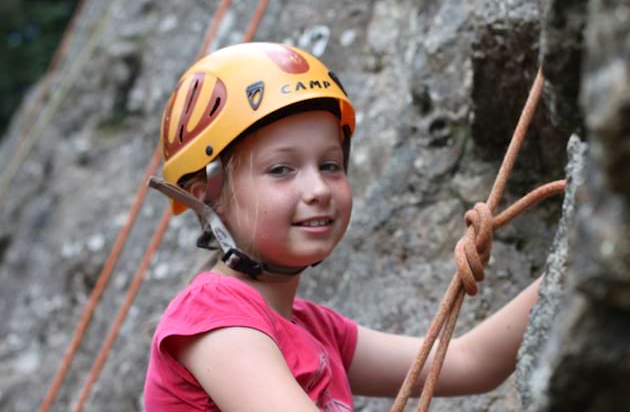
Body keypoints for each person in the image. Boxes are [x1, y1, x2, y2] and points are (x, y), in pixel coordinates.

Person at [143, 42, 541, 411]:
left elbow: (467, 362)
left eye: (330, 165)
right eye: (281, 170)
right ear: (208, 195)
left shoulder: (318, 330)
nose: (318, 189)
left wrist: (576, 256)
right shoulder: (212, 317)